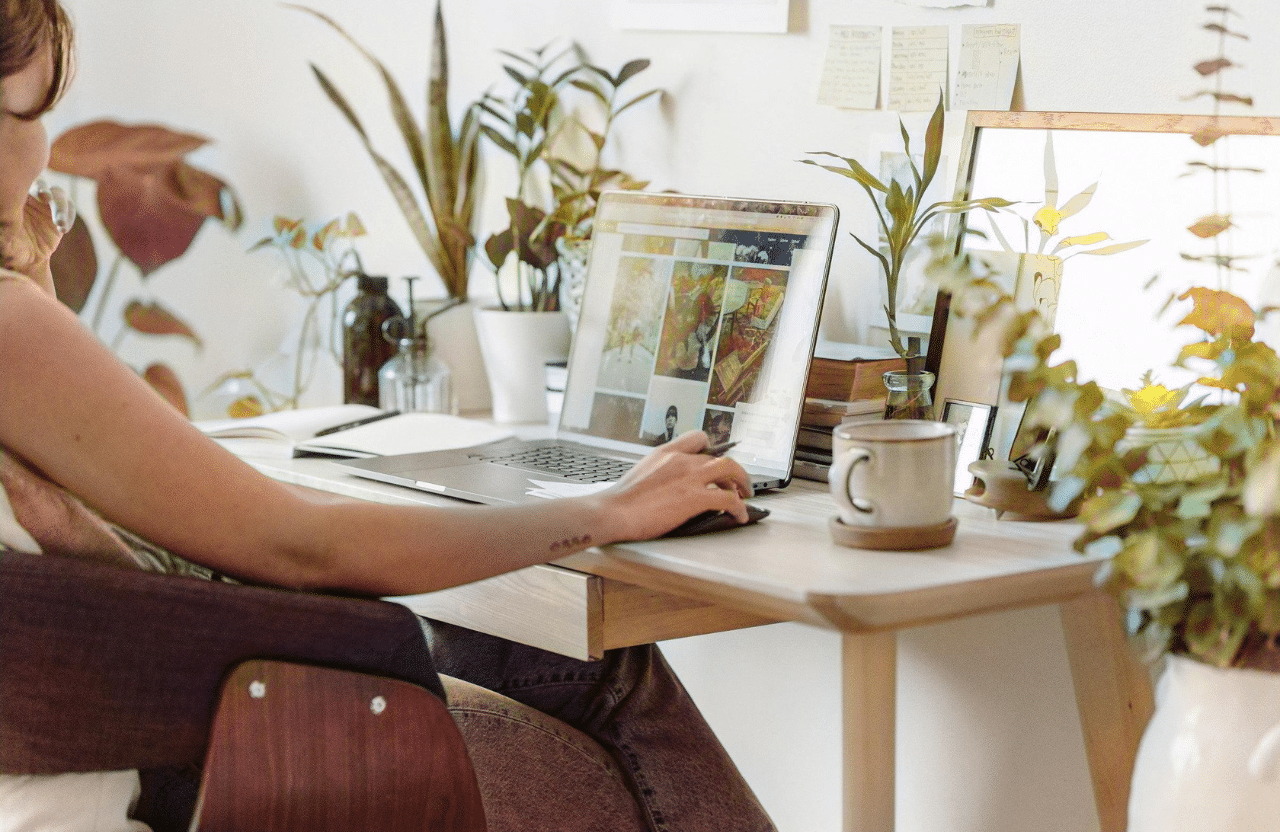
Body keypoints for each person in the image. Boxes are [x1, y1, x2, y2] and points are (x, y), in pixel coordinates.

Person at [0, 2, 776, 831]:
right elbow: (301, 546)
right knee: (616, 686)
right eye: (31, 111)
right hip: (224, 769)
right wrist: (605, 509)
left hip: (126, 754)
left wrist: (31, 271)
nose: (47, 142)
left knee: (555, 657)